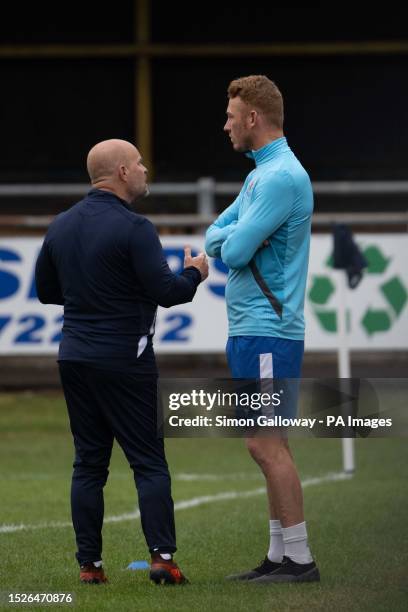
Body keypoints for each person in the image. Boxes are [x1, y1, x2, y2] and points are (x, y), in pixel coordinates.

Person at [35, 138, 208, 585]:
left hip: (73, 356)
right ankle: (163, 560)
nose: (146, 169)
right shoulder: (135, 227)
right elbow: (168, 293)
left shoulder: (60, 225)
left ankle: (89, 567)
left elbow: (47, 292)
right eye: (139, 163)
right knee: (148, 461)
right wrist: (195, 273)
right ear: (122, 173)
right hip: (124, 361)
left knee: (88, 464)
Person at [205, 76, 319, 583]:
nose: (226, 123)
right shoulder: (262, 174)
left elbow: (230, 250)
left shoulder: (278, 178)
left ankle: (300, 560)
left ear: (253, 118)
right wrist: (231, 235)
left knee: (264, 444)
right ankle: (280, 557)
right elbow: (215, 234)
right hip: (254, 330)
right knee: (269, 442)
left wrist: (230, 237)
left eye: (231, 115)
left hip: (268, 329)